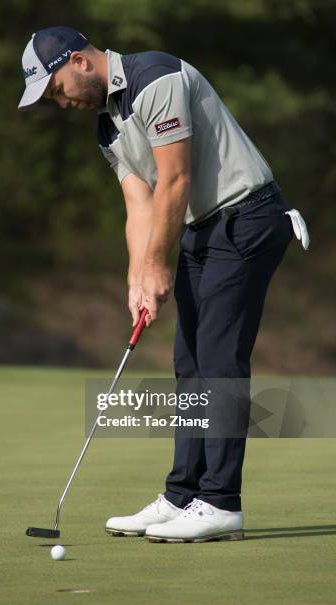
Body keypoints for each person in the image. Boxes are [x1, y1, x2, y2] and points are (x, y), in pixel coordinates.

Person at [18, 26, 309, 543]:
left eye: (56, 88)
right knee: (189, 364)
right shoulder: (107, 127)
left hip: (246, 218)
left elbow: (174, 179)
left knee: (219, 361)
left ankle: (221, 503)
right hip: (200, 228)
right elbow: (140, 204)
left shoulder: (157, 77)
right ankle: (183, 495)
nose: (59, 102)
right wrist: (137, 277)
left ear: (79, 62)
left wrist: (158, 263)